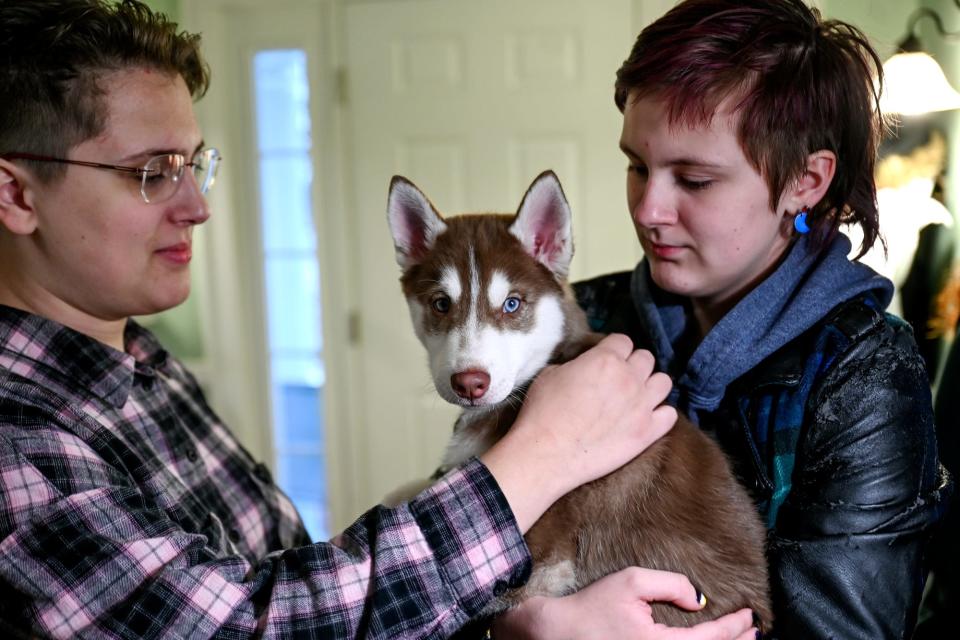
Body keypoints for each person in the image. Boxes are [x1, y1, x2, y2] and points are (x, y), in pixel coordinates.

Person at [0, 1, 762, 638]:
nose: (197, 205)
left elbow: (298, 583)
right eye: (149, 173)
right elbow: (249, 628)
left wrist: (514, 624)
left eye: (194, 165)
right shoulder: (19, 445)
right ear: (17, 195)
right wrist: (539, 459)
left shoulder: (141, 365)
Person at [494, 0, 951, 638]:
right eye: (637, 166)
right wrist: (532, 624)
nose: (648, 209)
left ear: (805, 181)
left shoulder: (863, 376)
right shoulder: (581, 320)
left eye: (695, 179)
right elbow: (447, 562)